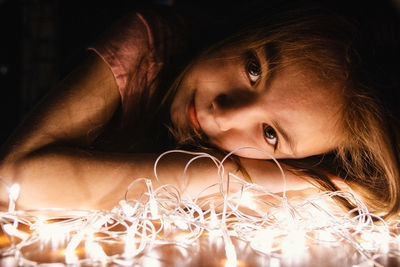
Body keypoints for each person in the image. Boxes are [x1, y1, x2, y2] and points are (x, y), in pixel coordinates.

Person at [0, 2, 399, 218]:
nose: (223, 115)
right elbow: (12, 181)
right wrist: (223, 176)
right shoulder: (151, 45)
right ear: (253, 26)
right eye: (254, 69)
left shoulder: (295, 186)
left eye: (270, 134)